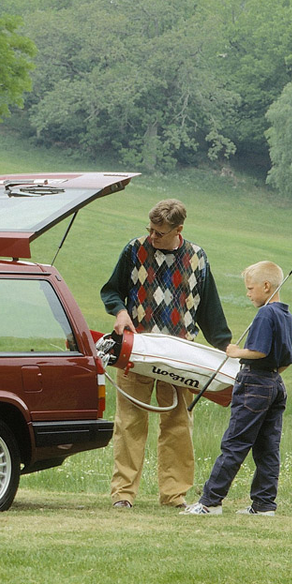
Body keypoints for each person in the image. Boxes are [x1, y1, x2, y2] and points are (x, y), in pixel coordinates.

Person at [100, 199, 231, 508]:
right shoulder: (134, 250)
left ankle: (174, 496)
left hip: (180, 357)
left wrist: (227, 348)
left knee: (178, 424)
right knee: (130, 421)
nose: (153, 237)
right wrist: (119, 312)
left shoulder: (198, 258)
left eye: (159, 232)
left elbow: (210, 312)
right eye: (150, 230)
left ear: (178, 229)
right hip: (136, 351)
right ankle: (123, 495)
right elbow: (111, 290)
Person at [181, 261, 292, 515]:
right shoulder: (287, 316)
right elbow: (286, 360)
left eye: (250, 288)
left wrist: (236, 352)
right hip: (275, 384)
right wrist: (270, 377)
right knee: (268, 448)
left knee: (234, 444)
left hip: (254, 384)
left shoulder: (266, 314)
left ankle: (210, 503)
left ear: (266, 286)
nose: (248, 293)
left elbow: (259, 350)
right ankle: (264, 504)